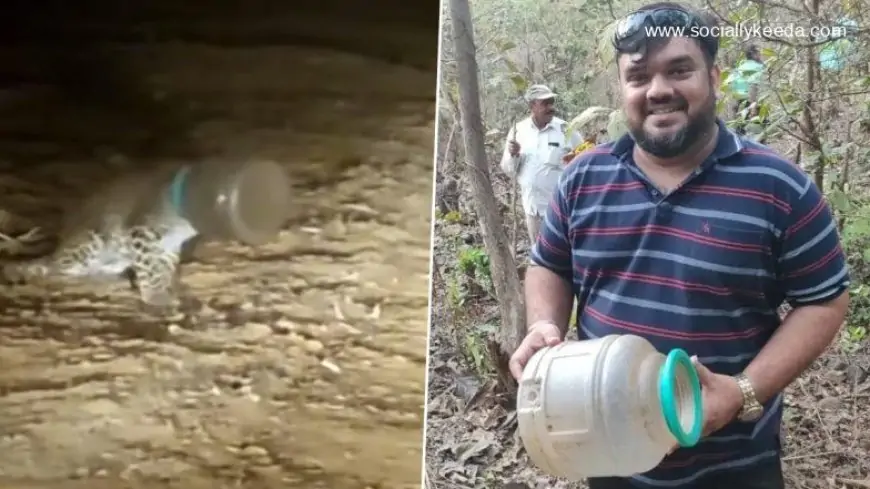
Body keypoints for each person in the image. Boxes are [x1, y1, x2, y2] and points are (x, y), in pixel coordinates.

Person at [509, 3, 850, 489]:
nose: (658, 90)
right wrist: (544, 324)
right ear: (621, 88)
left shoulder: (779, 187)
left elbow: (825, 300)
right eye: (639, 75)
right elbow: (549, 266)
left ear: (713, 76)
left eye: (679, 70)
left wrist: (742, 392)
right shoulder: (583, 178)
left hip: (735, 467)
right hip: (607, 451)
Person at [500, 84, 583, 243]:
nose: (551, 107)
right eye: (545, 103)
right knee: (540, 256)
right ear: (532, 105)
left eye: (552, 102)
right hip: (534, 210)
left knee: (565, 254)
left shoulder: (566, 129)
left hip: (562, 210)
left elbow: (585, 157)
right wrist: (514, 155)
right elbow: (509, 170)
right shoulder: (519, 131)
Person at [725, 43, 765, 135]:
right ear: (753, 54)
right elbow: (753, 87)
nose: (760, 54)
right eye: (758, 52)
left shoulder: (741, 66)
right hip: (750, 102)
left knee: (739, 132)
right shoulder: (758, 67)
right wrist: (753, 107)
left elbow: (729, 83)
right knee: (757, 134)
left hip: (737, 102)